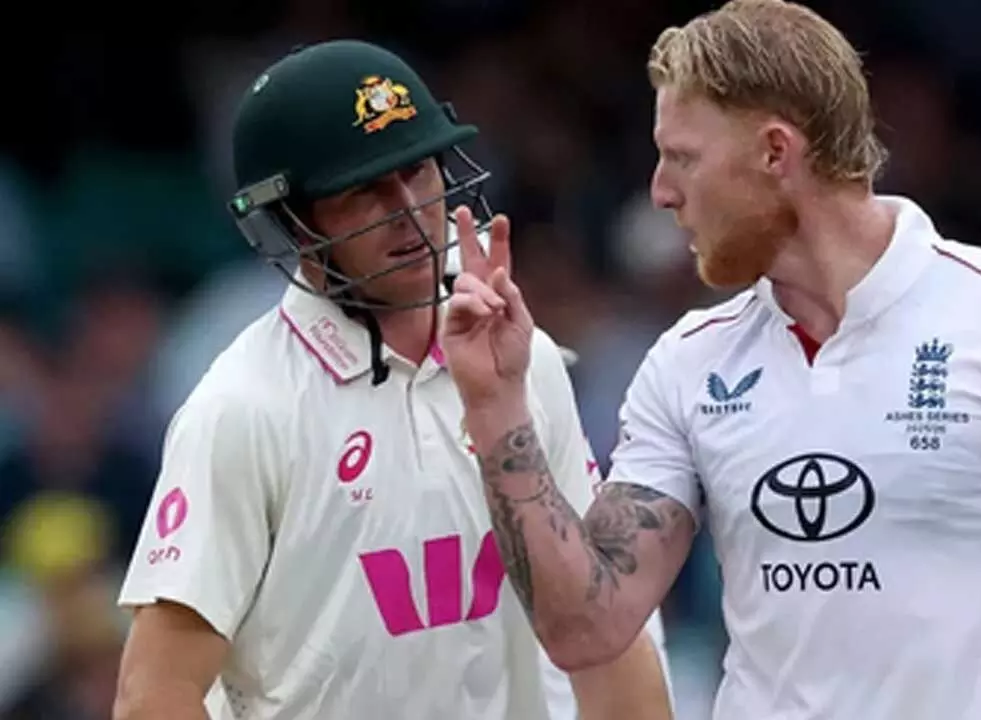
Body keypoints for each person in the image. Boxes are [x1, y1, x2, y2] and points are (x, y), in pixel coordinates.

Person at [439, 1, 981, 718]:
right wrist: (497, 408)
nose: (661, 193)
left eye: (682, 159)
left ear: (775, 153)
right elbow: (585, 628)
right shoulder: (688, 362)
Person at [111, 40, 673, 720]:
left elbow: (603, 631)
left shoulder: (524, 361)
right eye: (366, 190)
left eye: (418, 170)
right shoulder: (244, 409)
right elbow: (153, 694)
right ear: (294, 222)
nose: (409, 209)